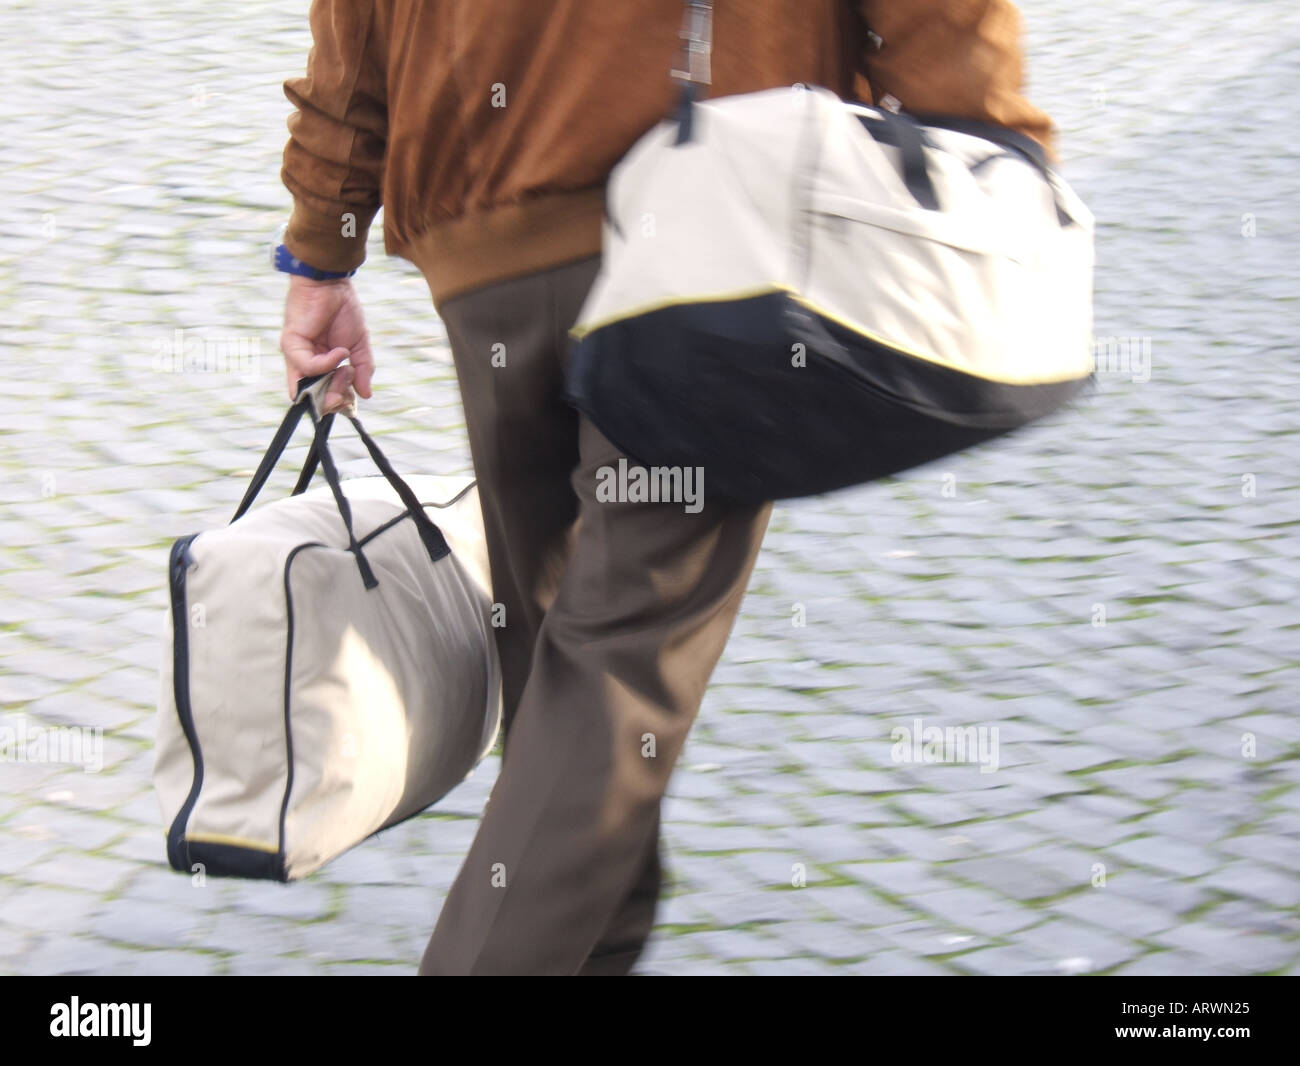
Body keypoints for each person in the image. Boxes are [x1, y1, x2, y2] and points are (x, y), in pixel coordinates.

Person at [275, 0, 1053, 976]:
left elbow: (352, 41)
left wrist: (321, 247)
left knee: (561, 674)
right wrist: (989, 151)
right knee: (616, 669)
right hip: (710, 225)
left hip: (486, 238)